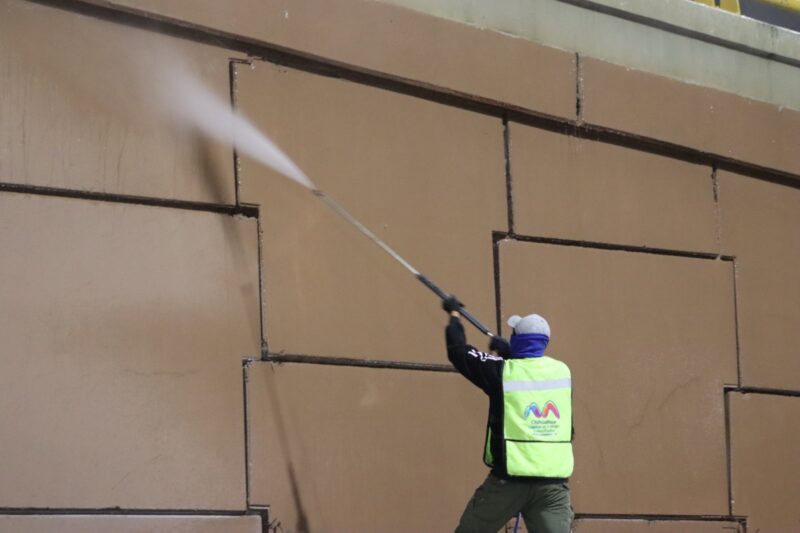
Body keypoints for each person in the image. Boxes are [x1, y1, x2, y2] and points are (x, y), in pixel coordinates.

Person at [443, 296, 574, 533]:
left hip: (509, 481)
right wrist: (510, 354)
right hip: (553, 487)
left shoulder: (502, 372)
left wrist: (454, 317)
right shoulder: (561, 372)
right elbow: (530, 376)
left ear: (517, 340)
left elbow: (459, 353)